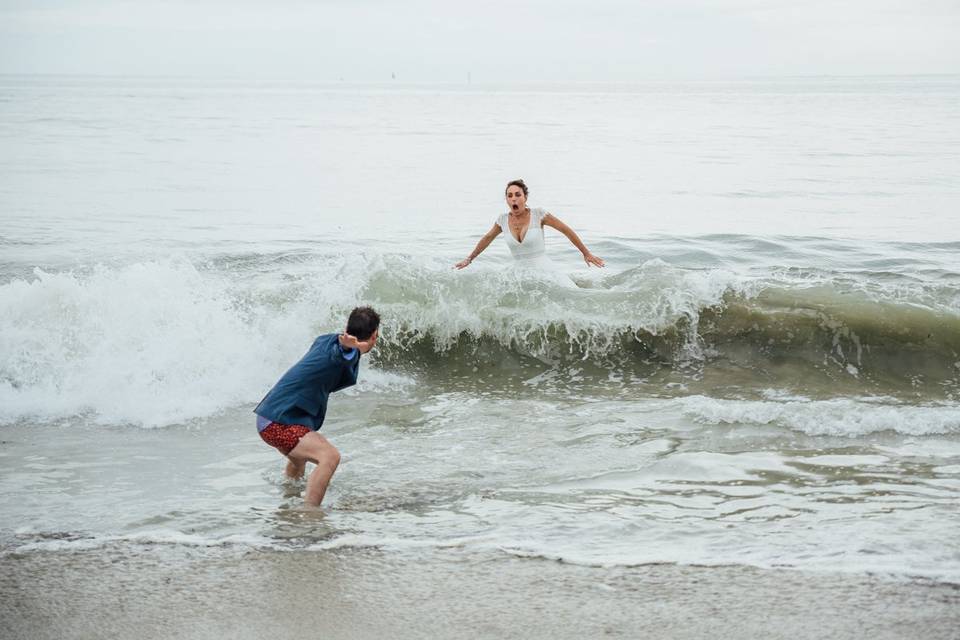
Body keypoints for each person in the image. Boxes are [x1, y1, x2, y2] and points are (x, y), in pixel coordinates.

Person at [254, 306, 380, 507]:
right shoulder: (342, 352)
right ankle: (311, 517)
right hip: (277, 424)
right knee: (329, 457)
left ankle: (288, 504)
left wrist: (354, 346)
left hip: (268, 418)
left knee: (299, 460)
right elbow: (343, 353)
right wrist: (354, 347)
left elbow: (344, 349)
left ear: (347, 327)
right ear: (375, 335)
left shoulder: (325, 340)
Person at [454, 179, 605, 269]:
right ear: (506, 199)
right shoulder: (502, 220)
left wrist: (586, 253)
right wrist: (469, 258)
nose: (513, 199)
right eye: (509, 195)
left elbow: (566, 230)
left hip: (545, 271)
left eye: (518, 195)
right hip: (519, 275)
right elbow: (487, 239)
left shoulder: (539, 215)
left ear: (525, 197)